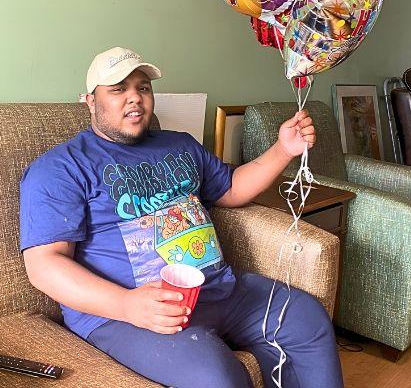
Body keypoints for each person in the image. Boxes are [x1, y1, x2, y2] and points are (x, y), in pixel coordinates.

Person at [20, 46, 344, 388]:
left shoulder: (180, 145)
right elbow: (44, 265)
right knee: (219, 379)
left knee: (306, 319)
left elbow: (231, 189)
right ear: (89, 100)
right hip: (131, 314)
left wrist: (283, 150)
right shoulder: (59, 168)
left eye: (143, 87)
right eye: (118, 89)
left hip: (219, 291)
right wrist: (128, 305)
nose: (135, 98)